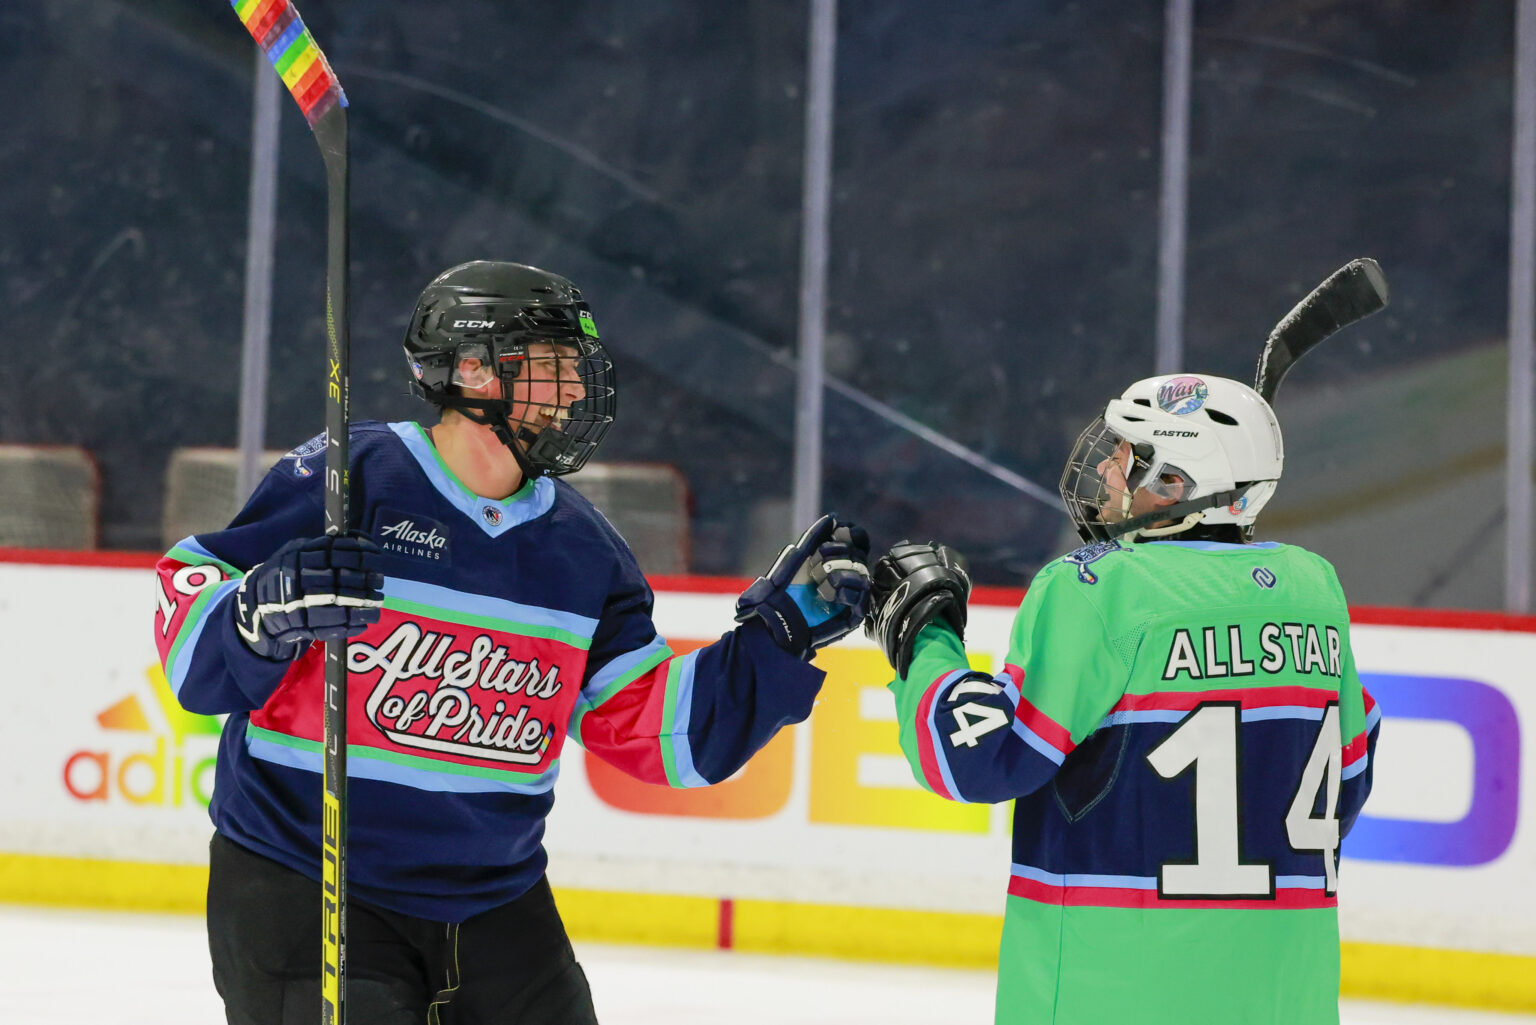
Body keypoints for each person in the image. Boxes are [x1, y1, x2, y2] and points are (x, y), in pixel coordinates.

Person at [152, 260, 871, 1025]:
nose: (572, 391)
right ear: (472, 370)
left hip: (496, 897)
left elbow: (653, 732)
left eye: (576, 369)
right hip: (312, 883)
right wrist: (260, 612)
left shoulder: (585, 549)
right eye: (552, 366)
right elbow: (192, 617)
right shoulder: (349, 477)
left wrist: (776, 643)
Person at [865, 373, 1380, 1025]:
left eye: (1129, 455)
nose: (1107, 468)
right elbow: (1349, 784)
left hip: (1115, 997)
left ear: (1176, 485)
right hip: (1286, 1001)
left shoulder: (1096, 590)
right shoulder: (1314, 592)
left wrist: (924, 638)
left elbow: (981, 760)